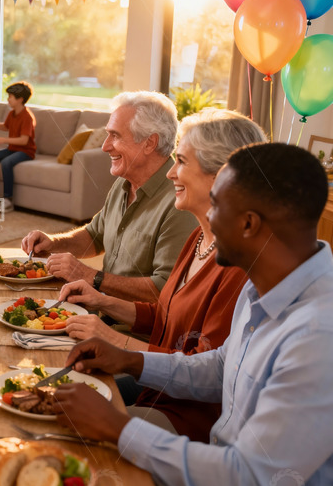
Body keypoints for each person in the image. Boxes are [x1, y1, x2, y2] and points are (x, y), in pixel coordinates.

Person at [52, 143, 333, 486]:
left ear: (248, 224)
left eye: (216, 206)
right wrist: (128, 360)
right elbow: (218, 368)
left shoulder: (318, 337)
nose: (207, 218)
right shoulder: (263, 283)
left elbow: (250, 475)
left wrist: (118, 427)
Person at [55, 108, 265, 441]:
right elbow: (166, 316)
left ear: (221, 177)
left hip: (188, 418)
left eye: (181, 161)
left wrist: (117, 343)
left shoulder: (239, 267)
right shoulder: (199, 238)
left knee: (60, 427)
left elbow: (206, 371)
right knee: (52, 389)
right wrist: (102, 301)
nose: (171, 174)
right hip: (154, 389)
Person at [22, 91, 198, 303]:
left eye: (115, 136)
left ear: (149, 143)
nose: (105, 146)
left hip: (130, 329)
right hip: (100, 307)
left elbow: (164, 289)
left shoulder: (181, 202)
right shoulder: (124, 183)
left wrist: (89, 276)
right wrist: (53, 243)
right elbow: (95, 235)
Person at [0, 81, 36, 212]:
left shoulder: (27, 117)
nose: (8, 99)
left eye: (10, 96)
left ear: (20, 99)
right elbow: (6, 126)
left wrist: (4, 139)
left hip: (26, 152)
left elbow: (23, 140)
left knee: (6, 163)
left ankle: (8, 200)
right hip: (12, 149)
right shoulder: (12, 113)